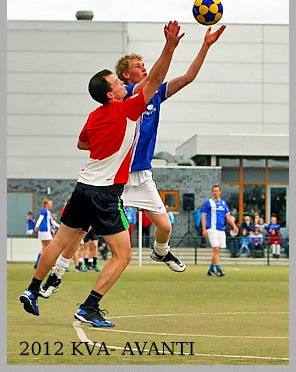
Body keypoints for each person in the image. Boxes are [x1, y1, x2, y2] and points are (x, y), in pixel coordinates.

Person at [20, 21, 184, 327]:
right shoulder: (127, 109)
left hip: (83, 186)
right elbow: (158, 78)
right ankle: (89, 307)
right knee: (121, 256)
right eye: (119, 84)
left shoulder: (95, 114)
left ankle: (31, 290)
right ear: (111, 94)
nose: (124, 87)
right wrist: (170, 46)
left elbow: (82, 142)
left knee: (58, 243)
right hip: (105, 192)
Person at [116, 24, 226, 272]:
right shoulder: (126, 94)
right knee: (86, 226)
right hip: (118, 176)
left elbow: (188, 77)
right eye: (137, 66)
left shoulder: (156, 94)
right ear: (125, 75)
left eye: (144, 65)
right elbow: (154, 76)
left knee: (165, 227)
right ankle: (58, 269)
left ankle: (161, 251)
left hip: (142, 174)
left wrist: (205, 46)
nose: (143, 68)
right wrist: (169, 46)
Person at [201, 185, 238, 277]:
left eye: (217, 191)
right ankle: (218, 269)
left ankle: (210, 269)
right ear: (212, 192)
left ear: (220, 192)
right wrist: (204, 229)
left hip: (221, 230)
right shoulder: (208, 203)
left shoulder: (223, 203)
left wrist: (234, 225)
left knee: (217, 251)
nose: (215, 192)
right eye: (214, 191)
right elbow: (203, 216)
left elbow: (228, 216)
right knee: (216, 249)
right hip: (212, 229)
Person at [33, 199, 60, 268]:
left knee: (44, 248)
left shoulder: (48, 212)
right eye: (49, 204)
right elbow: (40, 218)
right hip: (45, 230)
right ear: (45, 205)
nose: (51, 205)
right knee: (51, 247)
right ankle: (51, 264)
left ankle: (37, 263)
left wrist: (60, 226)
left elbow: (52, 222)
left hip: (43, 231)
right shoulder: (44, 211)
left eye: (51, 204)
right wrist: (36, 226)